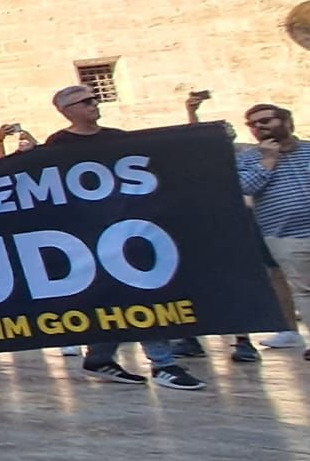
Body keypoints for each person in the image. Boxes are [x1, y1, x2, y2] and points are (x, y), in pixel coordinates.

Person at [46, 85, 203, 389]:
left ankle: (110, 357)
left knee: (134, 291)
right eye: (85, 102)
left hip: (129, 227)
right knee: (121, 293)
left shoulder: (117, 138)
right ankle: (161, 364)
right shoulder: (59, 144)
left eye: (94, 99)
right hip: (90, 232)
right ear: (67, 110)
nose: (94, 104)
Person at [239, 103, 310, 363]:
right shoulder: (247, 158)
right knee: (307, 288)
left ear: (286, 122)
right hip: (285, 234)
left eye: (266, 120)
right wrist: (267, 162)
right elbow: (245, 188)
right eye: (253, 124)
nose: (259, 126)